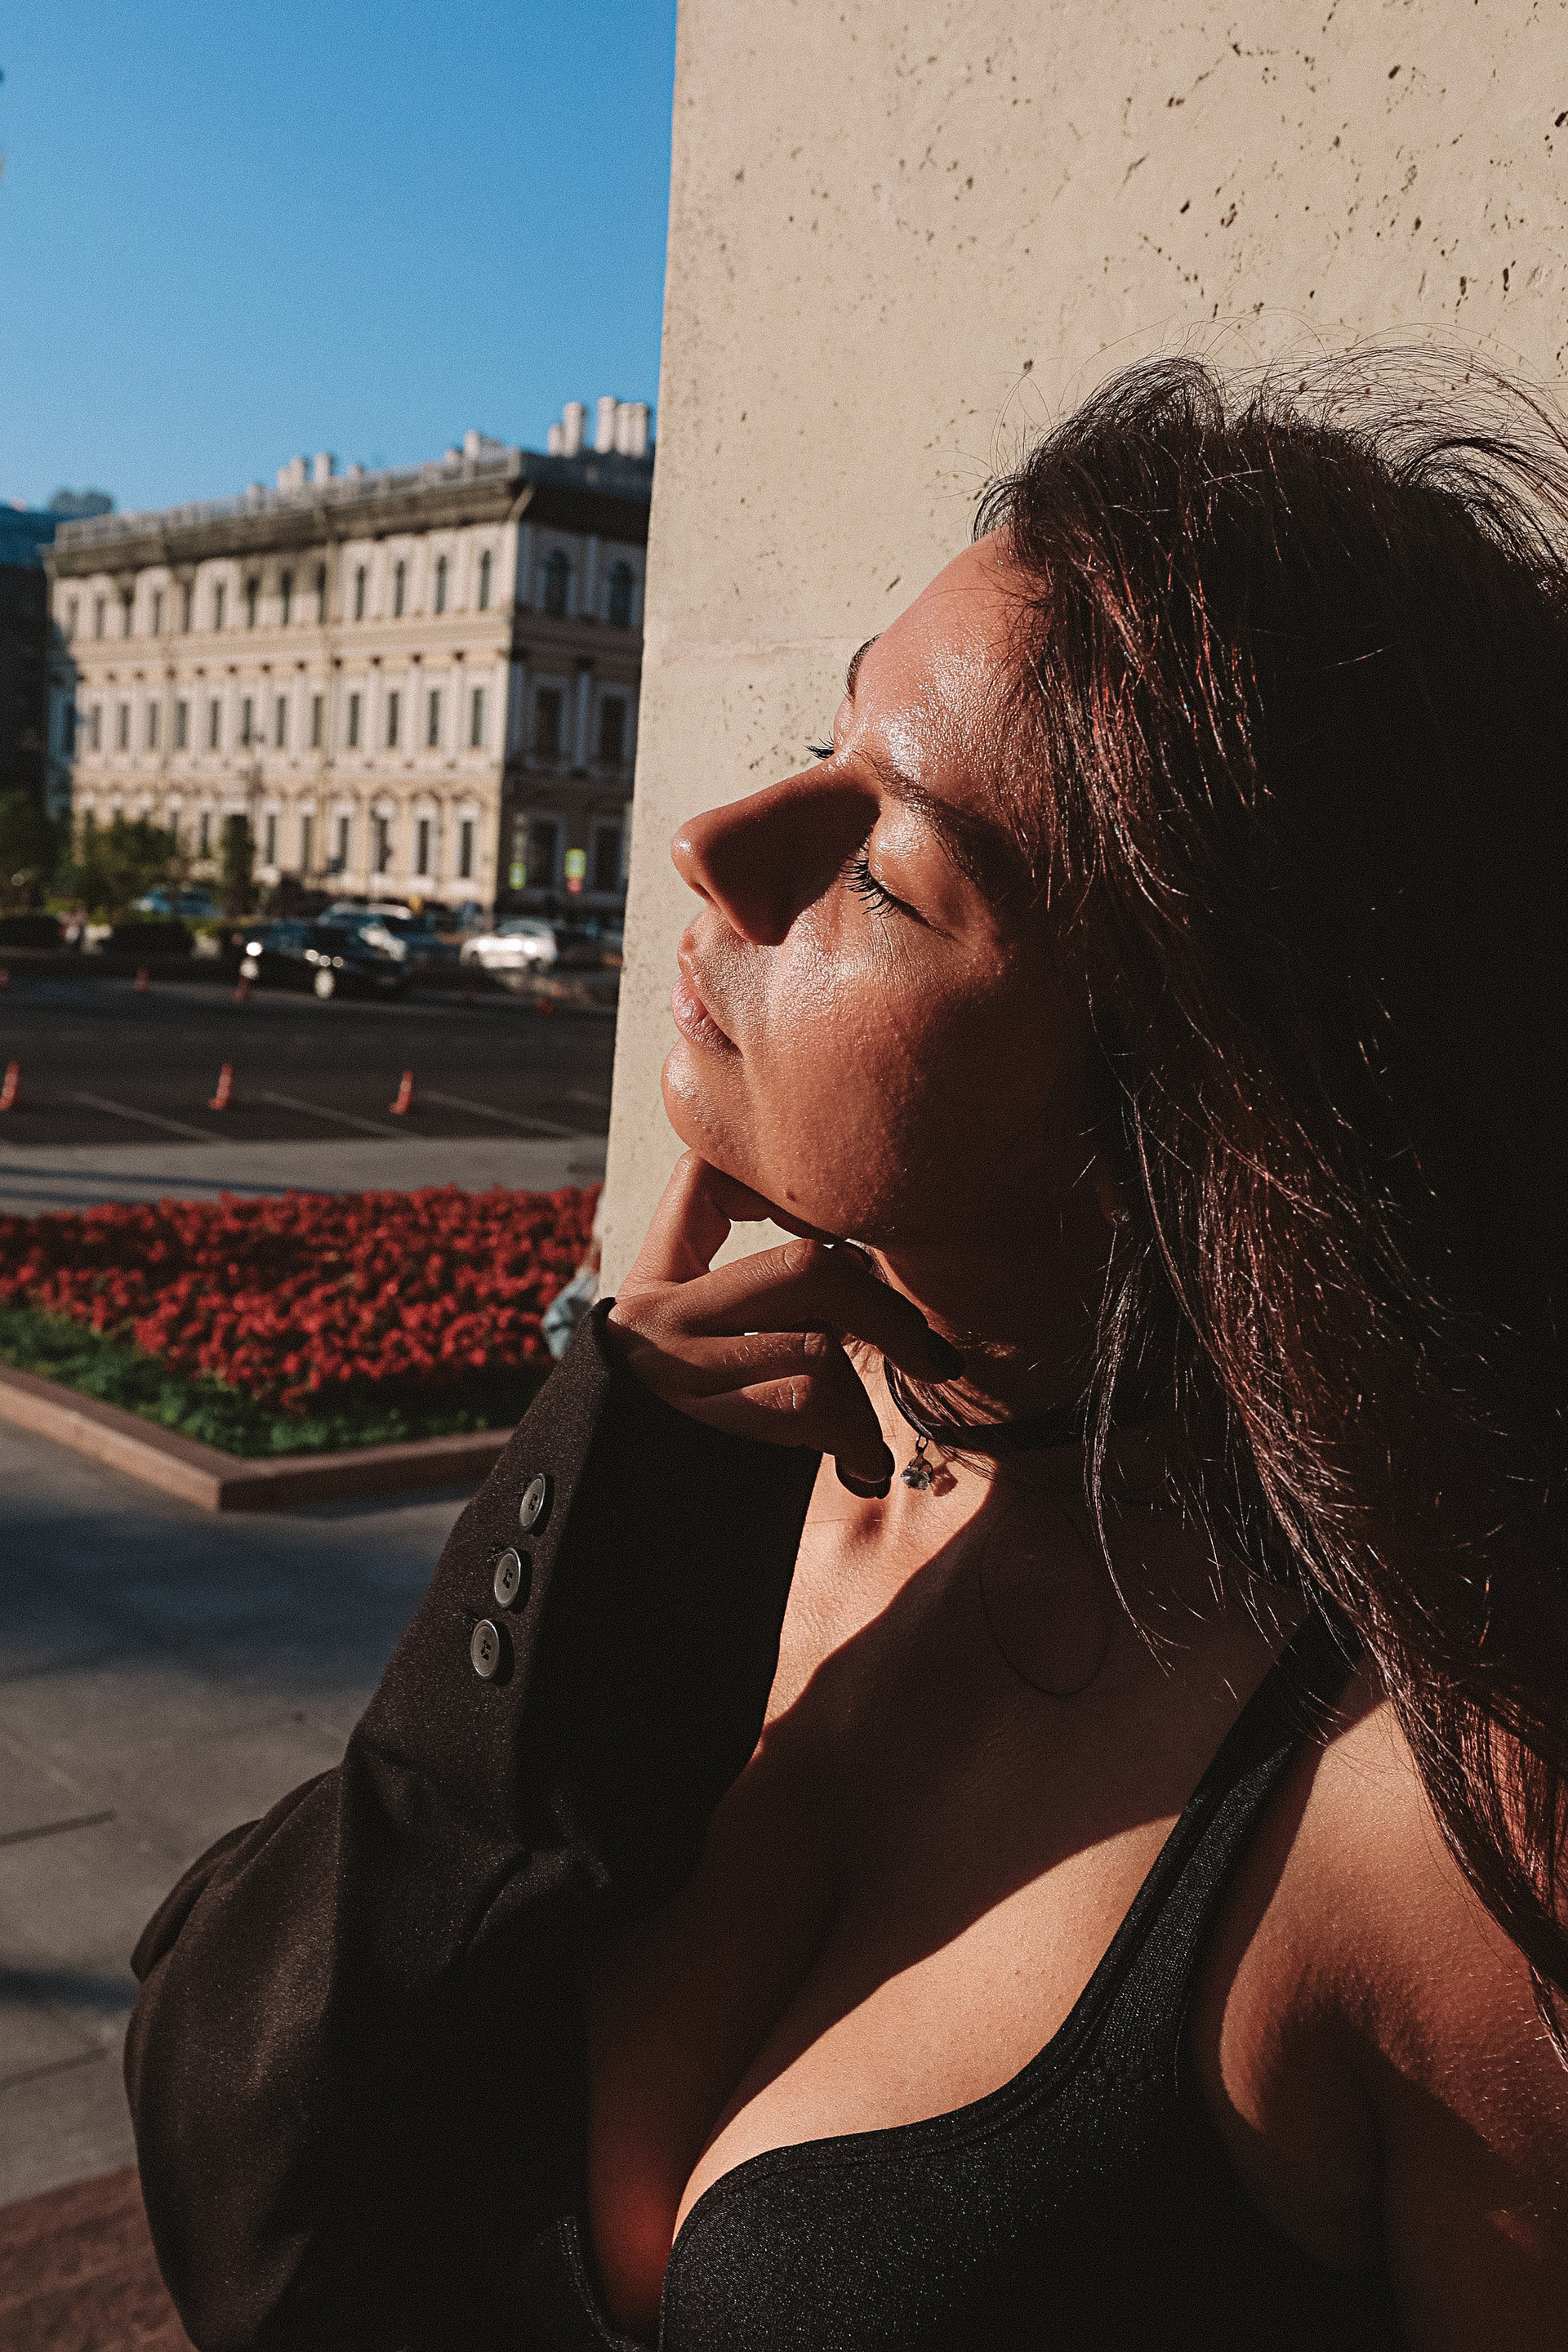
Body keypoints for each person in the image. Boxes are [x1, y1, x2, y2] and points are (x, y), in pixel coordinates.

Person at [125, 357, 1568, 2349]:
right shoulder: (725, 1484)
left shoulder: (1441, 1813)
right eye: (824, 740)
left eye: (888, 865)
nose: (721, 842)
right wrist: (544, 1588)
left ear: (1198, 1102)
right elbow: (248, 2179)